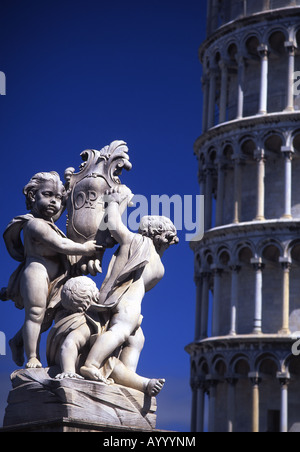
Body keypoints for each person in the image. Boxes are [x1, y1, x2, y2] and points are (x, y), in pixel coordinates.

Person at [80, 185, 179, 385]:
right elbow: (115, 224)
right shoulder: (138, 242)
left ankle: (126, 377)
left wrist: (114, 203)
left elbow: (115, 225)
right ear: (158, 234)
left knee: (136, 339)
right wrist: (114, 201)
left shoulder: (152, 259)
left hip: (126, 301)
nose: (172, 241)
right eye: (169, 236)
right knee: (120, 332)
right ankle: (91, 363)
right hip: (128, 302)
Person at [1, 172, 101, 369]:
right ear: (32, 197)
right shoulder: (34, 224)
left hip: (57, 278)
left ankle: (17, 341)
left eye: (58, 198)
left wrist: (71, 187)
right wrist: (85, 248)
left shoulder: (51, 222)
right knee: (35, 314)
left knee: (45, 319)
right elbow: (60, 244)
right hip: (37, 272)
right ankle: (32, 357)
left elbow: (64, 207)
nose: (54, 202)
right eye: (47, 195)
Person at [48, 276, 165, 397]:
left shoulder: (92, 319)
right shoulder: (85, 323)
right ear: (92, 298)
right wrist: (68, 371)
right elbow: (69, 344)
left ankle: (137, 380)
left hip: (80, 362)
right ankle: (145, 384)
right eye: (96, 291)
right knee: (113, 364)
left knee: (135, 337)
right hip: (77, 363)